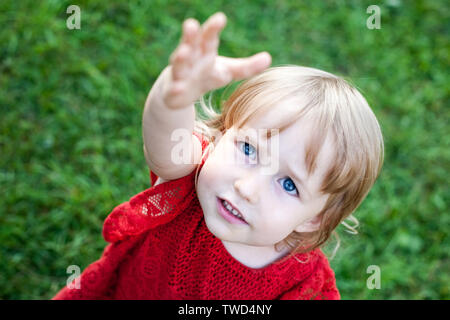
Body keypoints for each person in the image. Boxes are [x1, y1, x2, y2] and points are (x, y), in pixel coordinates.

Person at [53, 12, 383, 300]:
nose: (247, 187)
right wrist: (173, 98)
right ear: (223, 134)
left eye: (288, 185)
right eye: (249, 149)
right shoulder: (190, 180)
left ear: (315, 219)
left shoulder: (302, 285)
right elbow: (167, 144)